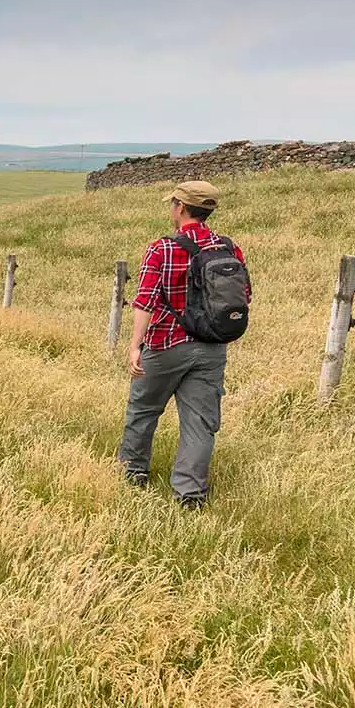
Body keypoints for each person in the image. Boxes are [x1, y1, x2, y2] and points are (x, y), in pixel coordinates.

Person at [119, 180, 248, 509]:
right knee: (200, 423)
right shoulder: (229, 248)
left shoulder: (162, 248)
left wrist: (135, 345)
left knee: (144, 410)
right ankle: (190, 496)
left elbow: (144, 301)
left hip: (165, 345)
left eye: (172, 203)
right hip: (212, 347)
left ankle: (133, 475)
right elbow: (243, 297)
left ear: (180, 206)